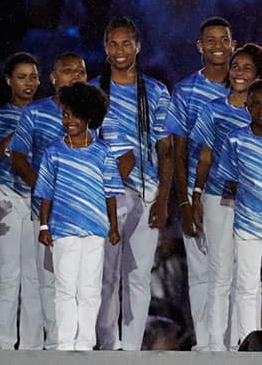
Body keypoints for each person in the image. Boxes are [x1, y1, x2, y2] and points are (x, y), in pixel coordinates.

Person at [191, 43, 262, 350]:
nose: (240, 72)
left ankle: (255, 341)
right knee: (223, 274)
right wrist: (197, 196)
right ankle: (219, 343)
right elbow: (208, 160)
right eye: (236, 66)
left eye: (248, 68)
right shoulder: (218, 115)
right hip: (225, 204)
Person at [92, 17, 172, 351]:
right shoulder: (94, 91)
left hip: (147, 192)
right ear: (105, 47)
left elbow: (166, 149)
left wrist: (165, 201)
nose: (120, 50)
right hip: (105, 195)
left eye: (127, 43)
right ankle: (108, 346)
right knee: (106, 276)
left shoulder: (155, 91)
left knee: (138, 276)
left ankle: (133, 347)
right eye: (114, 43)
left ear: (138, 46)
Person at [35, 82, 126, 351]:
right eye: (65, 114)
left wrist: (113, 225)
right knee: (65, 288)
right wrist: (43, 225)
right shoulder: (53, 152)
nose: (68, 120)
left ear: (89, 116)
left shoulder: (103, 152)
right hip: (63, 229)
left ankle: (85, 343)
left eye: (74, 115)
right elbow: (45, 193)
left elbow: (110, 192)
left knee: (90, 288)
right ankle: (64, 343)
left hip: (96, 228)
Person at [9, 51, 90, 349]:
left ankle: (79, 344)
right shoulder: (35, 112)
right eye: (68, 71)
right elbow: (17, 157)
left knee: (83, 282)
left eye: (80, 70)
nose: (75, 75)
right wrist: (43, 187)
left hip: (84, 212)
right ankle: (50, 347)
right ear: (54, 78)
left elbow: (115, 155)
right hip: (45, 211)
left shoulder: (96, 114)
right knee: (46, 281)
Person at [165, 17, 236, 350]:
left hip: (242, 196)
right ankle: (207, 343)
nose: (218, 45)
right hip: (200, 195)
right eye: (211, 40)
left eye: (224, 39)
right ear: (200, 47)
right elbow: (176, 151)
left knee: (237, 271)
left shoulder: (247, 89)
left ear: (233, 44)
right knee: (202, 270)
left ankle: (234, 340)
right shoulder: (185, 90)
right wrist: (183, 202)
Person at [0, 52, 43, 349]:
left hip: (38, 199)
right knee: (6, 273)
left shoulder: (48, 114)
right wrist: (11, 140)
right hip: (4, 197)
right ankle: (3, 347)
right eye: (21, 77)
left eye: (33, 77)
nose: (28, 83)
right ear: (8, 80)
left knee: (34, 276)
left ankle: (31, 347)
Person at [217, 79, 262, 345]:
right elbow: (230, 181)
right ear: (246, 107)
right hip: (246, 227)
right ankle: (247, 341)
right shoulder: (236, 139)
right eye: (255, 104)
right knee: (247, 286)